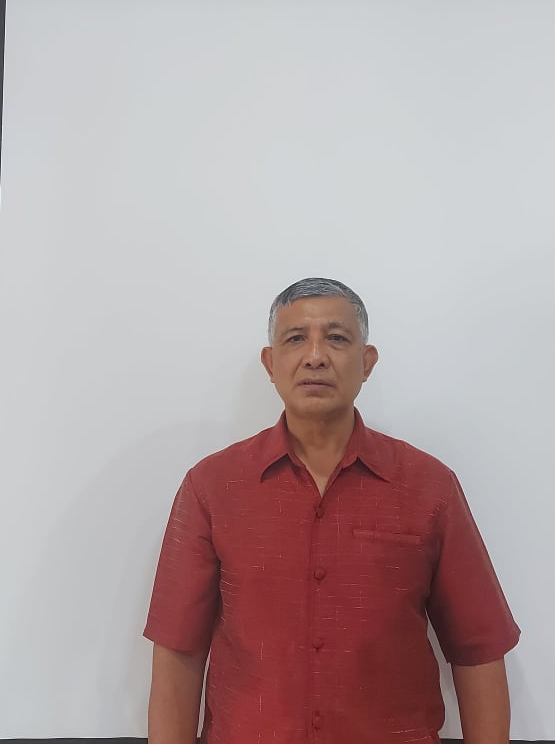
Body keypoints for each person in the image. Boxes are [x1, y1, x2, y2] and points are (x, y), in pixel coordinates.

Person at [144, 277, 520, 744]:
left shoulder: (429, 486)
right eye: (295, 339)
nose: (315, 356)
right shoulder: (212, 486)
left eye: (337, 338)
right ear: (270, 363)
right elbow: (178, 649)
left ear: (367, 362)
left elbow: (478, 648)